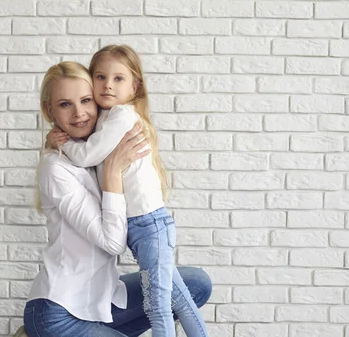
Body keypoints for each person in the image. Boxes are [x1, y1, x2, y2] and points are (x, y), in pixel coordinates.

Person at [22, 61, 211, 337]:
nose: (79, 113)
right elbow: (112, 243)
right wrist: (112, 171)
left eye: (86, 100)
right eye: (65, 104)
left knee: (196, 283)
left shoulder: (95, 146)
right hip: (60, 314)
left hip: (105, 300)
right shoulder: (57, 169)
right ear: (49, 110)